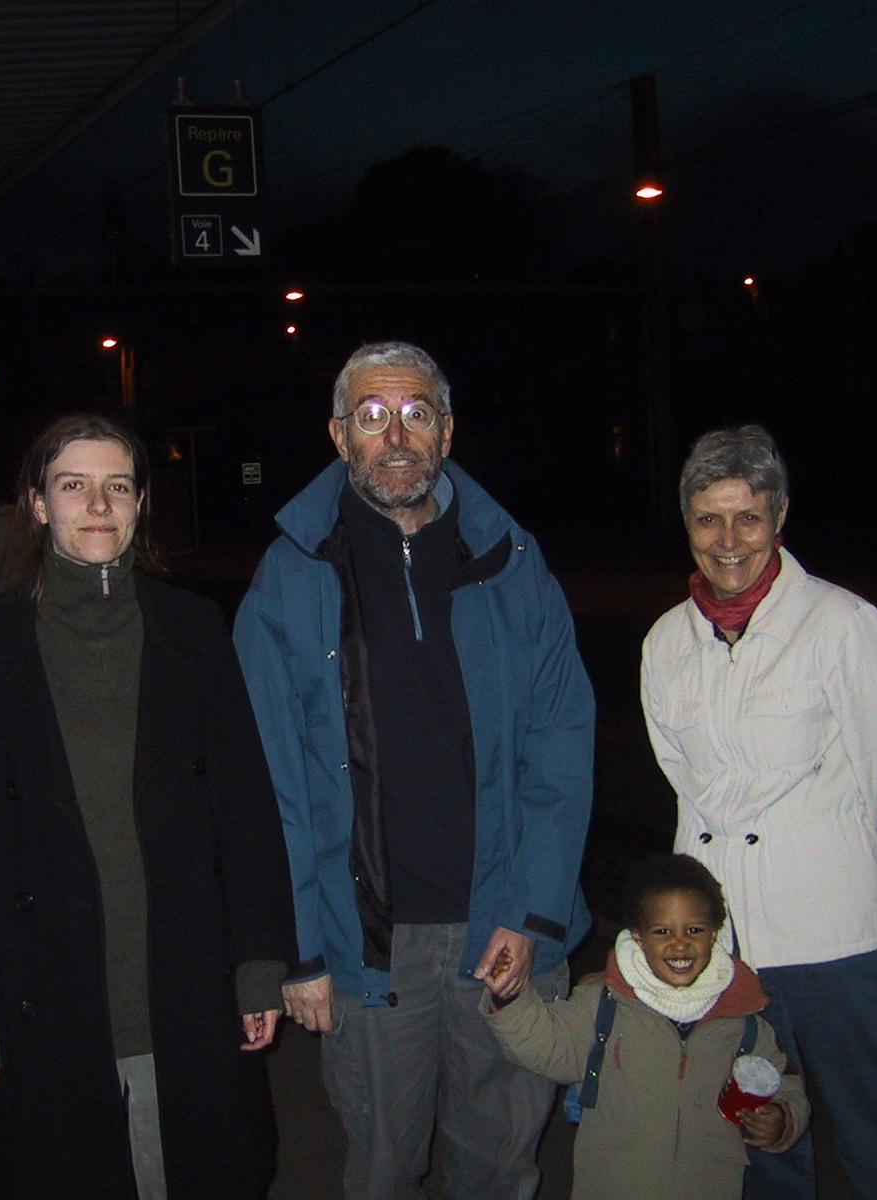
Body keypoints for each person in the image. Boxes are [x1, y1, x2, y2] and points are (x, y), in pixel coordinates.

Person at [234, 341, 595, 1200]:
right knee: (384, 1171)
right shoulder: (289, 577)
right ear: (338, 435)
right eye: (371, 416)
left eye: (415, 414)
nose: (395, 436)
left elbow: (561, 747)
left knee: (499, 1168)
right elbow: (269, 785)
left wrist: (532, 915)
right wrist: (301, 951)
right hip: (368, 952)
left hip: (502, 933)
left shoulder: (514, 562)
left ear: (447, 431)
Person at [0, 411, 296, 1200]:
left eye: (117, 486)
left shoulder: (193, 630)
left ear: (140, 504)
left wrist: (259, 964)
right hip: (42, 990)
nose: (98, 505)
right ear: (36, 503)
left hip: (179, 983)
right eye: (73, 485)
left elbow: (244, 812)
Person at [639, 424, 877, 1200]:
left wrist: (850, 876)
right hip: (730, 949)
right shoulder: (666, 642)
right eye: (708, 518)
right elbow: (685, 791)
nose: (727, 540)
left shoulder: (842, 624)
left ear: (778, 518)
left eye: (747, 517)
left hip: (832, 938)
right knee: (759, 1141)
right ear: (687, 524)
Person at [482, 853, 808, 1200]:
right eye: (662, 931)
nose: (679, 943)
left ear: (714, 935)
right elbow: (548, 1046)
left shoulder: (742, 1020)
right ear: (638, 938)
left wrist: (781, 1119)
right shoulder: (605, 1004)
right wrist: (509, 995)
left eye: (694, 930)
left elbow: (785, 1082)